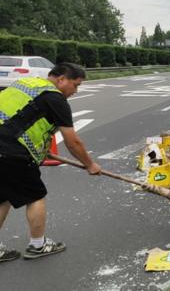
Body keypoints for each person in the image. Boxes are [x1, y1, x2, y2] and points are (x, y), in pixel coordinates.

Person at [0, 63, 101, 262]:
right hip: (12, 150)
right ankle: (38, 245)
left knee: (2, 197)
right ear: (62, 79)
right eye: (75, 85)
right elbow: (73, 142)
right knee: (35, 196)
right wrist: (90, 165)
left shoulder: (24, 83)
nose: (75, 91)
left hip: (5, 147)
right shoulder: (56, 99)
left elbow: (21, 116)